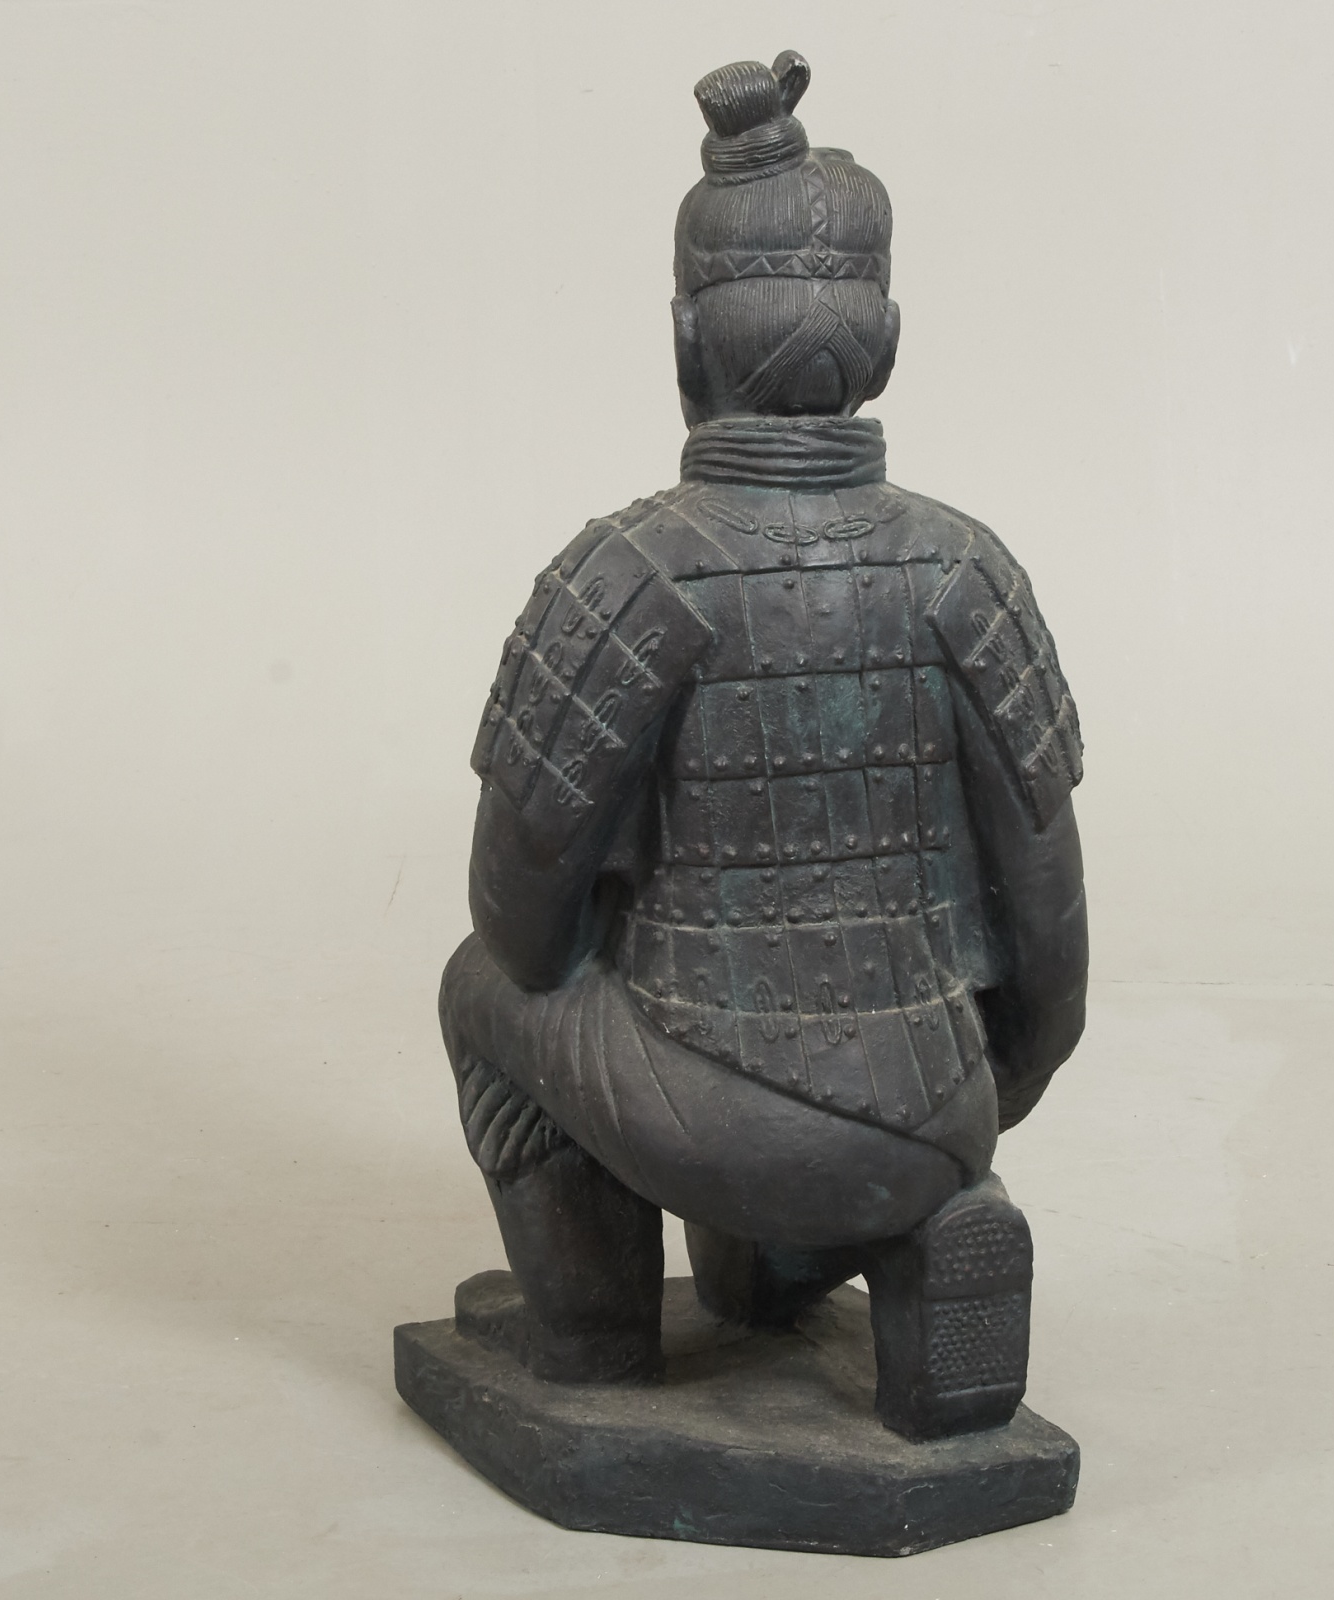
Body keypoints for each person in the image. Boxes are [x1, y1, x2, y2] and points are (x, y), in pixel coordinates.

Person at [438, 50, 1087, 1440]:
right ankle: (896, 1233)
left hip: (707, 1111)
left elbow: (519, 927)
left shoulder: (627, 575)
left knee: (480, 991)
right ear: (888, 337)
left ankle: (595, 1336)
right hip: (936, 1111)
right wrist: (968, 1101)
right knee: (789, 1194)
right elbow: (1051, 958)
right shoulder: (969, 572)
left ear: (686, 341)